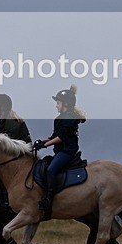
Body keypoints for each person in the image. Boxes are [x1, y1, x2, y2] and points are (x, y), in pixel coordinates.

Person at [33, 85, 86, 217]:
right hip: (60, 151)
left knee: (51, 170)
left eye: (58, 103)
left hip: (67, 152)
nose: (56, 106)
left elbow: (60, 138)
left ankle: (49, 199)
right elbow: (53, 136)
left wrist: (46, 146)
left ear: (66, 104)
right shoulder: (61, 118)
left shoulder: (69, 118)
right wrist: (42, 142)